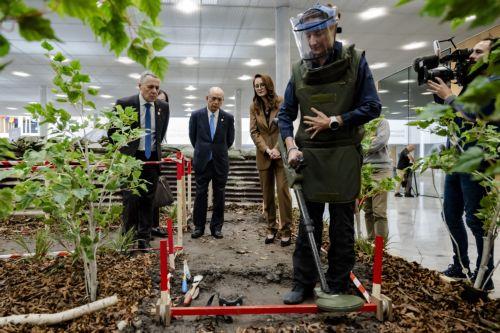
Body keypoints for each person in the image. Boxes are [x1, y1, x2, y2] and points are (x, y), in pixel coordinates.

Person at [278, 3, 381, 304]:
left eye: (319, 33)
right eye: (308, 36)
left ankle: (337, 282)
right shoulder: (299, 70)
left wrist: (335, 121)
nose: (313, 42)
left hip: (343, 155)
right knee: (307, 225)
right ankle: (303, 283)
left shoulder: (356, 62)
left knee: (341, 226)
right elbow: (285, 115)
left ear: (334, 28)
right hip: (308, 157)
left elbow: (373, 106)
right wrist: (291, 146)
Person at [426, 38, 498, 291]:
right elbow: (455, 115)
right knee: (451, 214)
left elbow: (474, 114)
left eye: (479, 52)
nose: (471, 56)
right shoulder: (471, 85)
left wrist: (449, 97)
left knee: (476, 220)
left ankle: (484, 274)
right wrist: (442, 91)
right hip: (457, 161)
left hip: (478, 161)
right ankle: (461, 265)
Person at [108, 72, 170, 250]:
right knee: (130, 199)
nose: (154, 91)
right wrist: (125, 151)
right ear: (139, 86)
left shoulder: (163, 107)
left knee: (148, 200)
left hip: (151, 158)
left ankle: (144, 239)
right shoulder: (125, 103)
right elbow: (112, 132)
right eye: (150, 87)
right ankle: (127, 238)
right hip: (131, 159)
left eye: (157, 87)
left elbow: (160, 133)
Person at [249, 74, 293, 247]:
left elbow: (284, 126)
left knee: (283, 192)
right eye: (256, 85)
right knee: (267, 195)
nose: (259, 88)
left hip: (281, 153)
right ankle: (271, 228)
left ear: (268, 85)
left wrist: (276, 148)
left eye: (261, 84)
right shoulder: (254, 106)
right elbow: (254, 132)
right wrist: (267, 149)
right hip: (264, 155)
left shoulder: (280, 101)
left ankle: (286, 230)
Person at [189, 87, 235, 239]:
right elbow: (193, 137)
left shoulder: (227, 117)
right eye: (213, 98)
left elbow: (229, 140)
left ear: (222, 101)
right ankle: (199, 227)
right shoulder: (196, 115)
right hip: (202, 161)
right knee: (201, 194)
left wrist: (217, 151)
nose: (216, 102)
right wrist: (204, 151)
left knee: (219, 194)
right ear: (206, 98)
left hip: (220, 161)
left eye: (219, 99)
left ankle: (216, 227)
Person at [363, 118, 392, 241]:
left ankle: (380, 250)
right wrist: (370, 141)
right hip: (364, 171)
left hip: (381, 171)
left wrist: (362, 145)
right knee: (367, 210)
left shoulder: (382, 122)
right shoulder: (360, 123)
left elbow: (380, 142)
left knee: (379, 212)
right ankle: (371, 243)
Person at [150, 89, 170, 238]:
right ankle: (143, 228)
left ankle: (154, 226)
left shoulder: (163, 117)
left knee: (154, 194)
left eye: (164, 102)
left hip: (155, 158)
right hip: (143, 157)